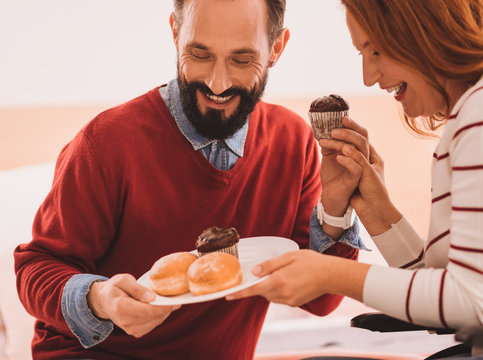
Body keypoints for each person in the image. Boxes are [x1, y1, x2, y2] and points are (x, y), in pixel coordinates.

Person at [13, 0, 363, 358]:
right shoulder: (106, 142)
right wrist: (100, 299)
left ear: (276, 48)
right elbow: (35, 267)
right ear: (176, 33)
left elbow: (321, 301)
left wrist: (336, 208)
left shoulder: (294, 143)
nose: (218, 83)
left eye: (242, 60)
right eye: (200, 54)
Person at [228, 0, 483, 357]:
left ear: (430, 28)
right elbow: (448, 289)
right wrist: (378, 212)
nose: (367, 77)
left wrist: (329, 274)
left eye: (375, 49)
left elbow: (473, 302)